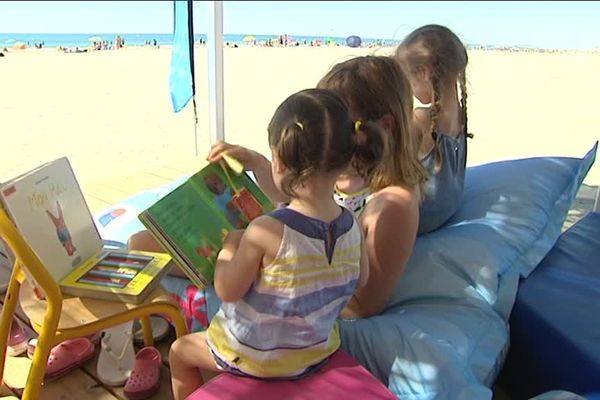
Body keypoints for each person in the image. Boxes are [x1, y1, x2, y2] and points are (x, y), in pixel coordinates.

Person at [169, 88, 376, 399]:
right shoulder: (352, 225)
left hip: (256, 357)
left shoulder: (263, 231)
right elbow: (363, 278)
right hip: (316, 349)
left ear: (278, 162)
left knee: (180, 352)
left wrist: (231, 245)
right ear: (346, 158)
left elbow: (226, 289)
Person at [207, 56, 427, 319]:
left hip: (284, 299)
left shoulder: (392, 205)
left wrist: (264, 290)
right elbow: (297, 198)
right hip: (273, 259)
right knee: (149, 243)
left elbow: (363, 305)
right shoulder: (342, 168)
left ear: (383, 127)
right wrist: (261, 165)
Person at [394, 24, 472, 234]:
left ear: (425, 73)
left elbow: (385, 166)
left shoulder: (421, 119)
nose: (408, 88)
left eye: (408, 79)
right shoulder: (461, 113)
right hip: (446, 210)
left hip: (419, 221)